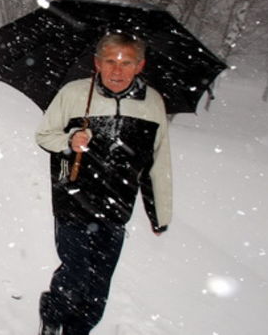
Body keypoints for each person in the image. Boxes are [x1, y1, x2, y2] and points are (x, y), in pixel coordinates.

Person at [35, 32, 172, 335]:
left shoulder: (152, 103)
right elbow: (44, 135)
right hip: (72, 200)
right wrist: (71, 140)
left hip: (117, 207)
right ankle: (53, 316)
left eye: (127, 62)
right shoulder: (74, 94)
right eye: (110, 61)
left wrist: (160, 213)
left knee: (99, 284)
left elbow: (158, 161)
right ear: (97, 63)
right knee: (76, 272)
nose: (117, 70)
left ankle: (77, 330)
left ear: (140, 65)